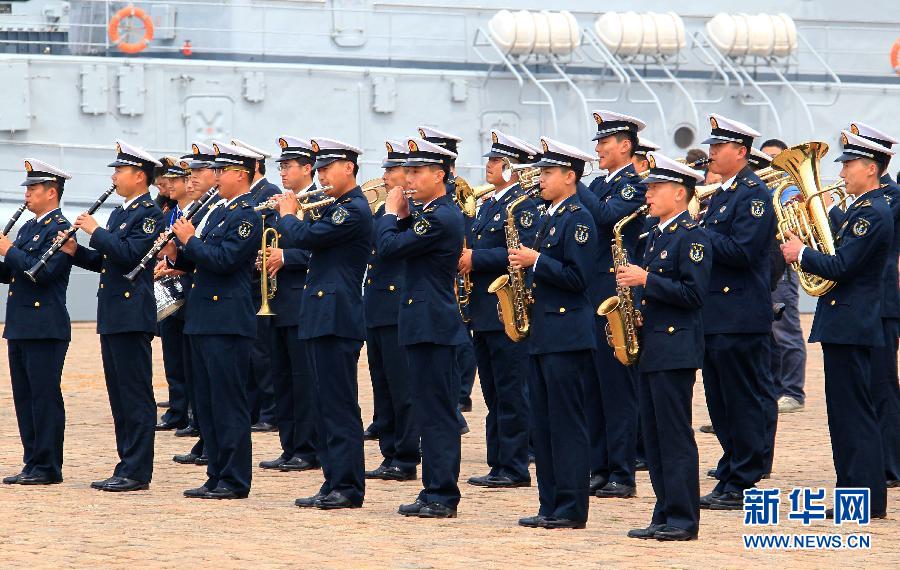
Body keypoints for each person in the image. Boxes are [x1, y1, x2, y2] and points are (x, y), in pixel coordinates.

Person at [780, 130, 893, 519]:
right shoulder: (862, 209)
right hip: (844, 323)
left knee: (854, 415)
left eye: (849, 165)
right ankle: (856, 499)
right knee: (845, 416)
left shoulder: (873, 212)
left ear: (871, 169)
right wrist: (808, 234)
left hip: (851, 323)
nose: (842, 171)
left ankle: (863, 502)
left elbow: (843, 266)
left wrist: (802, 252)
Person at [61, 140, 164, 492]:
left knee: (135, 393)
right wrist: (76, 251)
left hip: (133, 313)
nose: (115, 177)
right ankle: (126, 463)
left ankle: (137, 470)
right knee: (119, 394)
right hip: (114, 312)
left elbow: (131, 254)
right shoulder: (121, 212)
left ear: (139, 176)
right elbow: (107, 263)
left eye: (120, 171)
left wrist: (95, 231)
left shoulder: (150, 212)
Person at [618, 152, 711, 542]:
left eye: (655, 188)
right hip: (653, 343)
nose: (649, 195)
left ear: (679, 193)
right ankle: (664, 510)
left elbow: (694, 294)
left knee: (674, 435)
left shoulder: (692, 236)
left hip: (675, 346)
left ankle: (683, 518)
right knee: (654, 436)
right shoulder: (655, 235)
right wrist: (638, 311)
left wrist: (645, 281)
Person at [376, 137, 468, 518]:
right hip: (422, 322)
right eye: (407, 172)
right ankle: (433, 489)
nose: (407, 180)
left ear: (440, 174)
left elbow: (389, 248)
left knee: (438, 413)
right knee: (428, 410)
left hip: (434, 324)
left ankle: (443, 494)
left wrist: (390, 214)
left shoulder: (440, 216)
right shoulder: (428, 212)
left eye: (416, 172)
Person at [510, 137, 598, 530]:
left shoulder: (579, 218)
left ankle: (571, 508)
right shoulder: (551, 215)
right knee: (542, 425)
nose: (540, 179)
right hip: (544, 333)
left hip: (567, 335)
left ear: (569, 176)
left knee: (566, 424)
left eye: (547, 172)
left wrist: (537, 260)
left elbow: (579, 279)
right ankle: (550, 503)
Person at [279, 138, 372, 510]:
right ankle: (332, 479)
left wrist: (288, 212)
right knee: (323, 404)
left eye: (324, 169)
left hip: (338, 316)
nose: (319, 176)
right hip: (321, 314)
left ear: (348, 167)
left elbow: (305, 237)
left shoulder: (352, 209)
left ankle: (348, 486)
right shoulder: (335, 206)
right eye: (316, 170)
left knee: (339, 405)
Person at [166, 142, 263, 499]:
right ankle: (215, 473)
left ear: (241, 175)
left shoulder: (247, 214)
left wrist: (190, 240)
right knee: (206, 402)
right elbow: (203, 261)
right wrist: (179, 255)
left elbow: (224, 260)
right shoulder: (220, 211)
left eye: (223, 172)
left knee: (228, 402)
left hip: (226, 319)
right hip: (203, 317)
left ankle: (234, 479)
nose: (216, 178)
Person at [697, 115, 775, 511]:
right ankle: (730, 468)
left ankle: (743, 479)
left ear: (741, 152)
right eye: (711, 146)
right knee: (720, 401)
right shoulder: (723, 194)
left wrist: (699, 235)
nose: (711, 152)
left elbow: (742, 252)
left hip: (740, 315)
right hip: (716, 314)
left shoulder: (753, 195)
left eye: (719, 147)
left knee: (742, 400)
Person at [459, 131, 539, 489]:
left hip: (507, 309)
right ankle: (498, 462)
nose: (488, 166)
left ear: (511, 168)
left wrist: (475, 258)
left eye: (495, 161)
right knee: (493, 392)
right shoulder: (492, 203)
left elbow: (518, 252)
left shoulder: (522, 205)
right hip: (485, 309)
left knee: (511, 390)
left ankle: (515, 465)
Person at [579, 110, 648, 499]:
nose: (598, 149)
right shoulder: (599, 182)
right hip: (592, 293)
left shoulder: (632, 186)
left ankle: (622, 471)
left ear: (625, 146)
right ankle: (599, 465)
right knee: (593, 385)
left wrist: (576, 184)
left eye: (604, 143)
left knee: (618, 388)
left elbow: (605, 218)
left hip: (617, 295)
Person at [0, 159, 73, 486]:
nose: (27, 195)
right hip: (21, 324)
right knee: (25, 397)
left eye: (33, 189)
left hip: (45, 325)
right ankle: (32, 461)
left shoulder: (61, 228)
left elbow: (40, 272)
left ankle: (48, 465)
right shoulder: (29, 227)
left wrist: (8, 249)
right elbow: (13, 273)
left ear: (51, 193)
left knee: (44, 397)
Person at [257, 136, 320, 473]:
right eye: (280, 166)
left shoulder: (321, 201)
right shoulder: (279, 202)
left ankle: (308, 447)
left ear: (307, 168)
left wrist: (286, 256)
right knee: (281, 377)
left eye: (289, 166)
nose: (282, 171)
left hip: (303, 299)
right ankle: (289, 444)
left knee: (303, 378)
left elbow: (321, 251)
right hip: (278, 300)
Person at [844, 122, 900, 489]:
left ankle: (890, 464)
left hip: (882, 303)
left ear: (875, 161)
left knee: (881, 385)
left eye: (854, 159)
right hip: (868, 303)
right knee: (868, 385)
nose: (846, 168)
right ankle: (876, 460)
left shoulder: (890, 198)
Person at [364, 140, 420, 482]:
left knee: (403, 388)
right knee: (382, 386)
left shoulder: (413, 211)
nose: (384, 176)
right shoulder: (385, 207)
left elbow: (389, 248)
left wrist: (392, 211)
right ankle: (390, 452)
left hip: (399, 305)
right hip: (376, 305)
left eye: (392, 170)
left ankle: (406, 455)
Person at [417, 125, 477, 428]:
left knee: (458, 336)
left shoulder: (455, 193)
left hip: (448, 272)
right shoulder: (429, 195)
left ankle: (460, 394)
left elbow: (466, 226)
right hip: (438, 274)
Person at [232, 138, 281, 432]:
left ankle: (269, 411)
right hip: (249, 282)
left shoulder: (268, 193)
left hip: (260, 282)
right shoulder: (250, 195)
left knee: (262, 353)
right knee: (252, 353)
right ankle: (256, 409)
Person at [758, 139, 807, 414]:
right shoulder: (760, 190)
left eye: (777, 159)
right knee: (768, 334)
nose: (771, 165)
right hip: (764, 268)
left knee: (786, 331)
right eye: (766, 160)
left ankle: (793, 391)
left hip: (783, 270)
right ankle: (775, 388)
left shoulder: (788, 190)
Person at [155, 157, 192, 432]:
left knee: (189, 357)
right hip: (171, 292)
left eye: (174, 180)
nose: (167, 184)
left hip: (190, 290)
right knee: (173, 355)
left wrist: (175, 265)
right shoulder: (172, 212)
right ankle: (178, 409)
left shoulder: (194, 212)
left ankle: (190, 410)